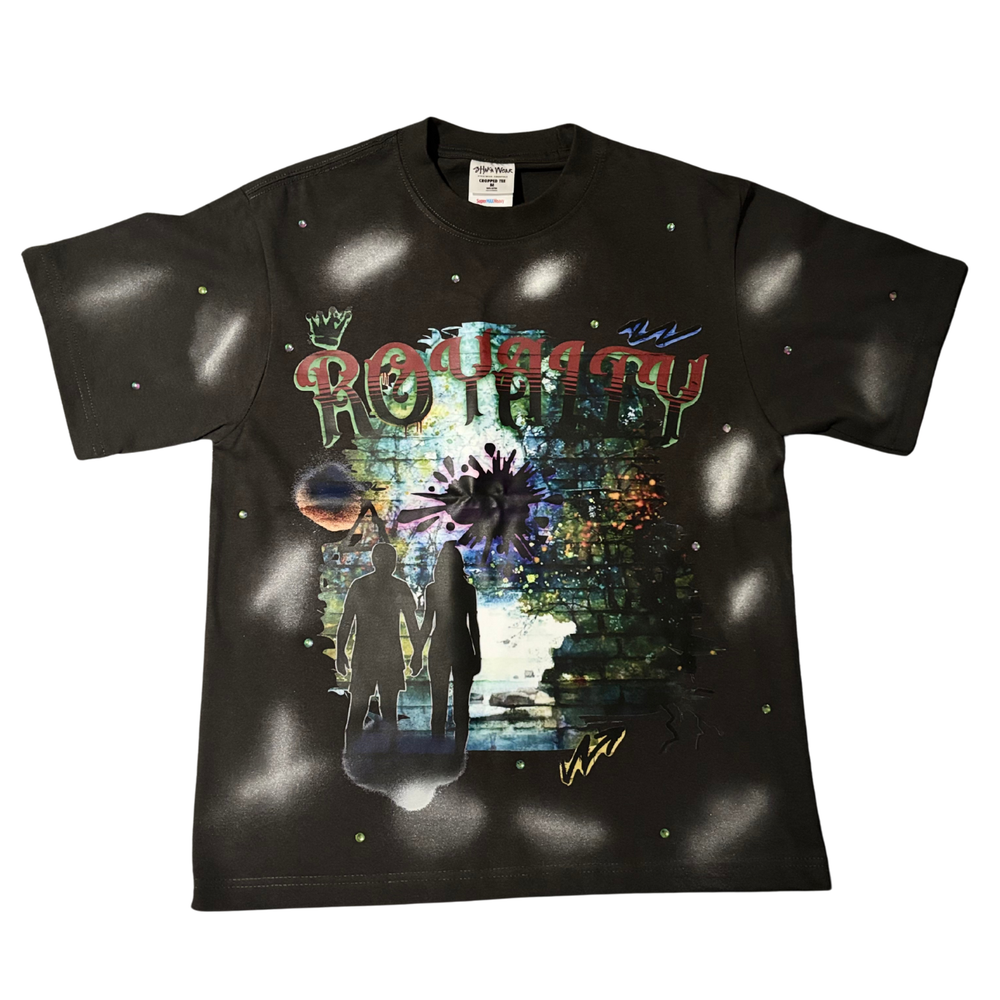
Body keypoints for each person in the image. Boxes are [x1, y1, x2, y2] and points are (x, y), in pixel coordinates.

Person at [336, 543, 419, 743]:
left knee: (362, 712)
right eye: (388, 559)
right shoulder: (398, 587)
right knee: (383, 713)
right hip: (384, 658)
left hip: (368, 657)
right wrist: (417, 654)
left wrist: (341, 653)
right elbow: (412, 625)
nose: (389, 563)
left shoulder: (361, 585)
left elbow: (346, 622)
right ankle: (383, 753)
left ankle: (354, 753)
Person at [410, 542, 481, 743]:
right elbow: (473, 625)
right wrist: (477, 655)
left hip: (439, 646)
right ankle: (460, 751)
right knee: (462, 707)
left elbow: (427, 624)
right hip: (463, 646)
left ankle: (437, 750)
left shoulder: (433, 589)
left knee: (438, 705)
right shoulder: (468, 590)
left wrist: (417, 652)